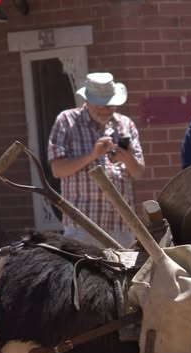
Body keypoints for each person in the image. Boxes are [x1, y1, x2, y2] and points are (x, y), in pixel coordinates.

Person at [48, 72, 145, 249]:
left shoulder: (125, 124)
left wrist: (127, 157)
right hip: (83, 224)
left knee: (123, 275)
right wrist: (92, 155)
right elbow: (57, 170)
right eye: (100, 105)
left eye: (110, 105)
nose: (106, 110)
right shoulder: (67, 121)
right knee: (81, 274)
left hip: (120, 223)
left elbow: (138, 172)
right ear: (87, 101)